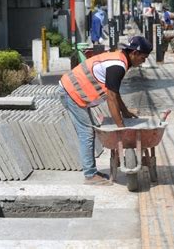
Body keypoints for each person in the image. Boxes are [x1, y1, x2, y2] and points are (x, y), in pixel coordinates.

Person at [58, 36, 153, 185]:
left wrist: (125, 112)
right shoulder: (118, 65)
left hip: (76, 93)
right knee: (87, 133)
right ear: (134, 53)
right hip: (72, 92)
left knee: (88, 132)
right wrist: (121, 127)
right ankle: (90, 175)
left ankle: (91, 172)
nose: (143, 61)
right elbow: (111, 98)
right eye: (143, 57)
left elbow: (115, 92)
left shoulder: (121, 60)